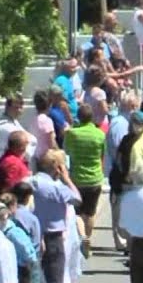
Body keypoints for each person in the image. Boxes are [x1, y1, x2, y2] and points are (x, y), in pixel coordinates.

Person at [31, 150, 80, 283]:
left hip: (34, 235)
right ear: (57, 168)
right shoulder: (56, 187)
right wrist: (67, 179)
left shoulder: (32, 182)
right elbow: (77, 199)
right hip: (53, 237)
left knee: (31, 280)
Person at [63, 106, 106, 260]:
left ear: (79, 117)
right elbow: (102, 155)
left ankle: (79, 239)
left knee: (77, 213)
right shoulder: (100, 134)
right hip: (94, 178)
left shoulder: (72, 134)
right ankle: (88, 237)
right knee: (90, 212)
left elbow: (66, 153)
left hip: (76, 179)